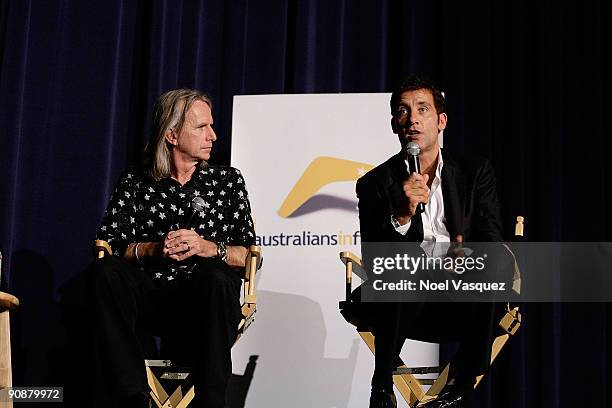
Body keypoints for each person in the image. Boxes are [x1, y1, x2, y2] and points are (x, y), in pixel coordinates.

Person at [92, 89, 256, 408]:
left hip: (203, 303)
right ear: (171, 134)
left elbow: (249, 255)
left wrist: (207, 247)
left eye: (212, 126)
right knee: (105, 271)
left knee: (217, 278)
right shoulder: (137, 181)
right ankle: (130, 396)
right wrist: (154, 249)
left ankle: (212, 401)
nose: (213, 135)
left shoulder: (227, 181)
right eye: (201, 127)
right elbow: (110, 245)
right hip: (151, 300)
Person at [356, 76, 509, 408]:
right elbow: (373, 259)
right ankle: (381, 386)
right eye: (403, 111)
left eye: (422, 109)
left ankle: (463, 381)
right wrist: (401, 215)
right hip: (404, 295)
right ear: (395, 125)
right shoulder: (374, 184)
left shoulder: (475, 171)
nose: (412, 118)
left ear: (441, 121)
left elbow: (492, 238)